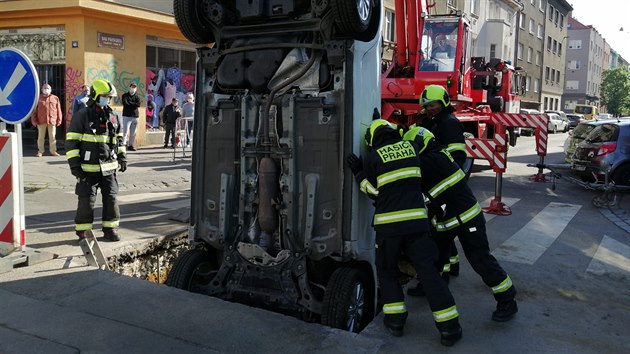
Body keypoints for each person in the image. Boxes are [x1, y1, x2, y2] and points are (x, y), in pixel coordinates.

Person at [346, 119, 462, 346]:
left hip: (389, 227)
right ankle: (449, 328)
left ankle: (396, 322)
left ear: (372, 140)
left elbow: (373, 192)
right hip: (417, 223)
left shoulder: (372, 158)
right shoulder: (411, 149)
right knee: (428, 273)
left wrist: (358, 172)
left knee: (387, 270)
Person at [401, 125, 518, 322]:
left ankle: (507, 299)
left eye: (412, 146)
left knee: (479, 259)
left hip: (466, 218)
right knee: (434, 256)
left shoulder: (432, 160)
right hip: (446, 219)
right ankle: (430, 284)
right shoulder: (435, 154)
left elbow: (412, 175)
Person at [65, 79, 127, 242]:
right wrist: (75, 166)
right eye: (105, 96)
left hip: (109, 168)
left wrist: (122, 156)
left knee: (111, 198)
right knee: (86, 200)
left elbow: (119, 138)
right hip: (87, 169)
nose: (107, 99)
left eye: (109, 97)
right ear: (95, 96)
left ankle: (110, 229)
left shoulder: (113, 116)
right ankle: (84, 232)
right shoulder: (82, 116)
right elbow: (71, 142)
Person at [419, 84, 466, 277]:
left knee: (439, 231)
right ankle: (452, 265)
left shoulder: (449, 122)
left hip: (445, 184)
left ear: (444, 102)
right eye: (428, 106)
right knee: (444, 228)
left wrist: (435, 164)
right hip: (439, 183)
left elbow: (457, 155)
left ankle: (441, 272)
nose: (431, 109)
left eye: (434, 105)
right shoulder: (432, 122)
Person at [31, 83, 63, 157]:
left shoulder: (55, 98)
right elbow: (34, 111)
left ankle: (53, 151)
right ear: (42, 90)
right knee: (40, 137)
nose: (46, 90)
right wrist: (34, 120)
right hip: (41, 121)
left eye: (47, 88)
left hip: (52, 120)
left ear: (50, 90)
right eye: (44, 88)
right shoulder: (38, 98)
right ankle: (40, 151)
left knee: (52, 136)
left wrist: (59, 120)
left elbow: (59, 110)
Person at [121, 82, 141, 151]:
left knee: (133, 133)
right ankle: (123, 144)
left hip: (135, 116)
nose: (133, 88)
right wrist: (133, 104)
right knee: (125, 132)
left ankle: (131, 145)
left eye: (134, 87)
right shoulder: (125, 95)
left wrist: (130, 103)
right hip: (127, 116)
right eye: (132, 87)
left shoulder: (137, 96)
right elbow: (125, 103)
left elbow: (138, 104)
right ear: (129, 87)